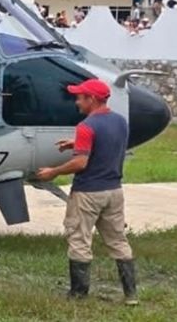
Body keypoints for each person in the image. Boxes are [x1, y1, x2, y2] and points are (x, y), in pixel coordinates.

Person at [36, 79, 137, 305]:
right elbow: (107, 143)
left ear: (91, 99)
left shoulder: (86, 126)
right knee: (118, 240)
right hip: (114, 191)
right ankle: (131, 295)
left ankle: (78, 294)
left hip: (88, 193)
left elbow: (80, 163)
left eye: (80, 97)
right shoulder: (120, 122)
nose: (76, 102)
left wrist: (53, 171)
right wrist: (75, 143)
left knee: (79, 239)